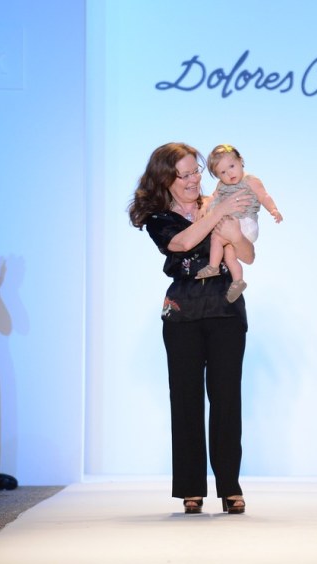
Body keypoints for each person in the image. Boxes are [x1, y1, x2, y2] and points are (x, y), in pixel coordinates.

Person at [128, 142, 254, 514]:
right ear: (165, 180)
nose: (192, 180)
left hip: (225, 310)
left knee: (227, 400)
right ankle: (190, 489)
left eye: (195, 170)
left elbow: (247, 255)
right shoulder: (158, 217)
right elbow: (182, 243)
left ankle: (230, 487)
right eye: (182, 175)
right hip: (182, 314)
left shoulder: (218, 199)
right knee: (185, 401)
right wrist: (219, 215)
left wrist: (233, 227)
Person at [194, 144, 282, 303]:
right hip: (232, 225)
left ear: (241, 161)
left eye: (232, 166)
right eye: (222, 172)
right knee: (228, 254)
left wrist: (273, 210)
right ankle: (237, 281)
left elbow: (264, 196)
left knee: (218, 237)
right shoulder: (221, 185)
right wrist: (205, 206)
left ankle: (213, 267)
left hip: (245, 223)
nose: (229, 174)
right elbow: (213, 197)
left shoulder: (250, 180)